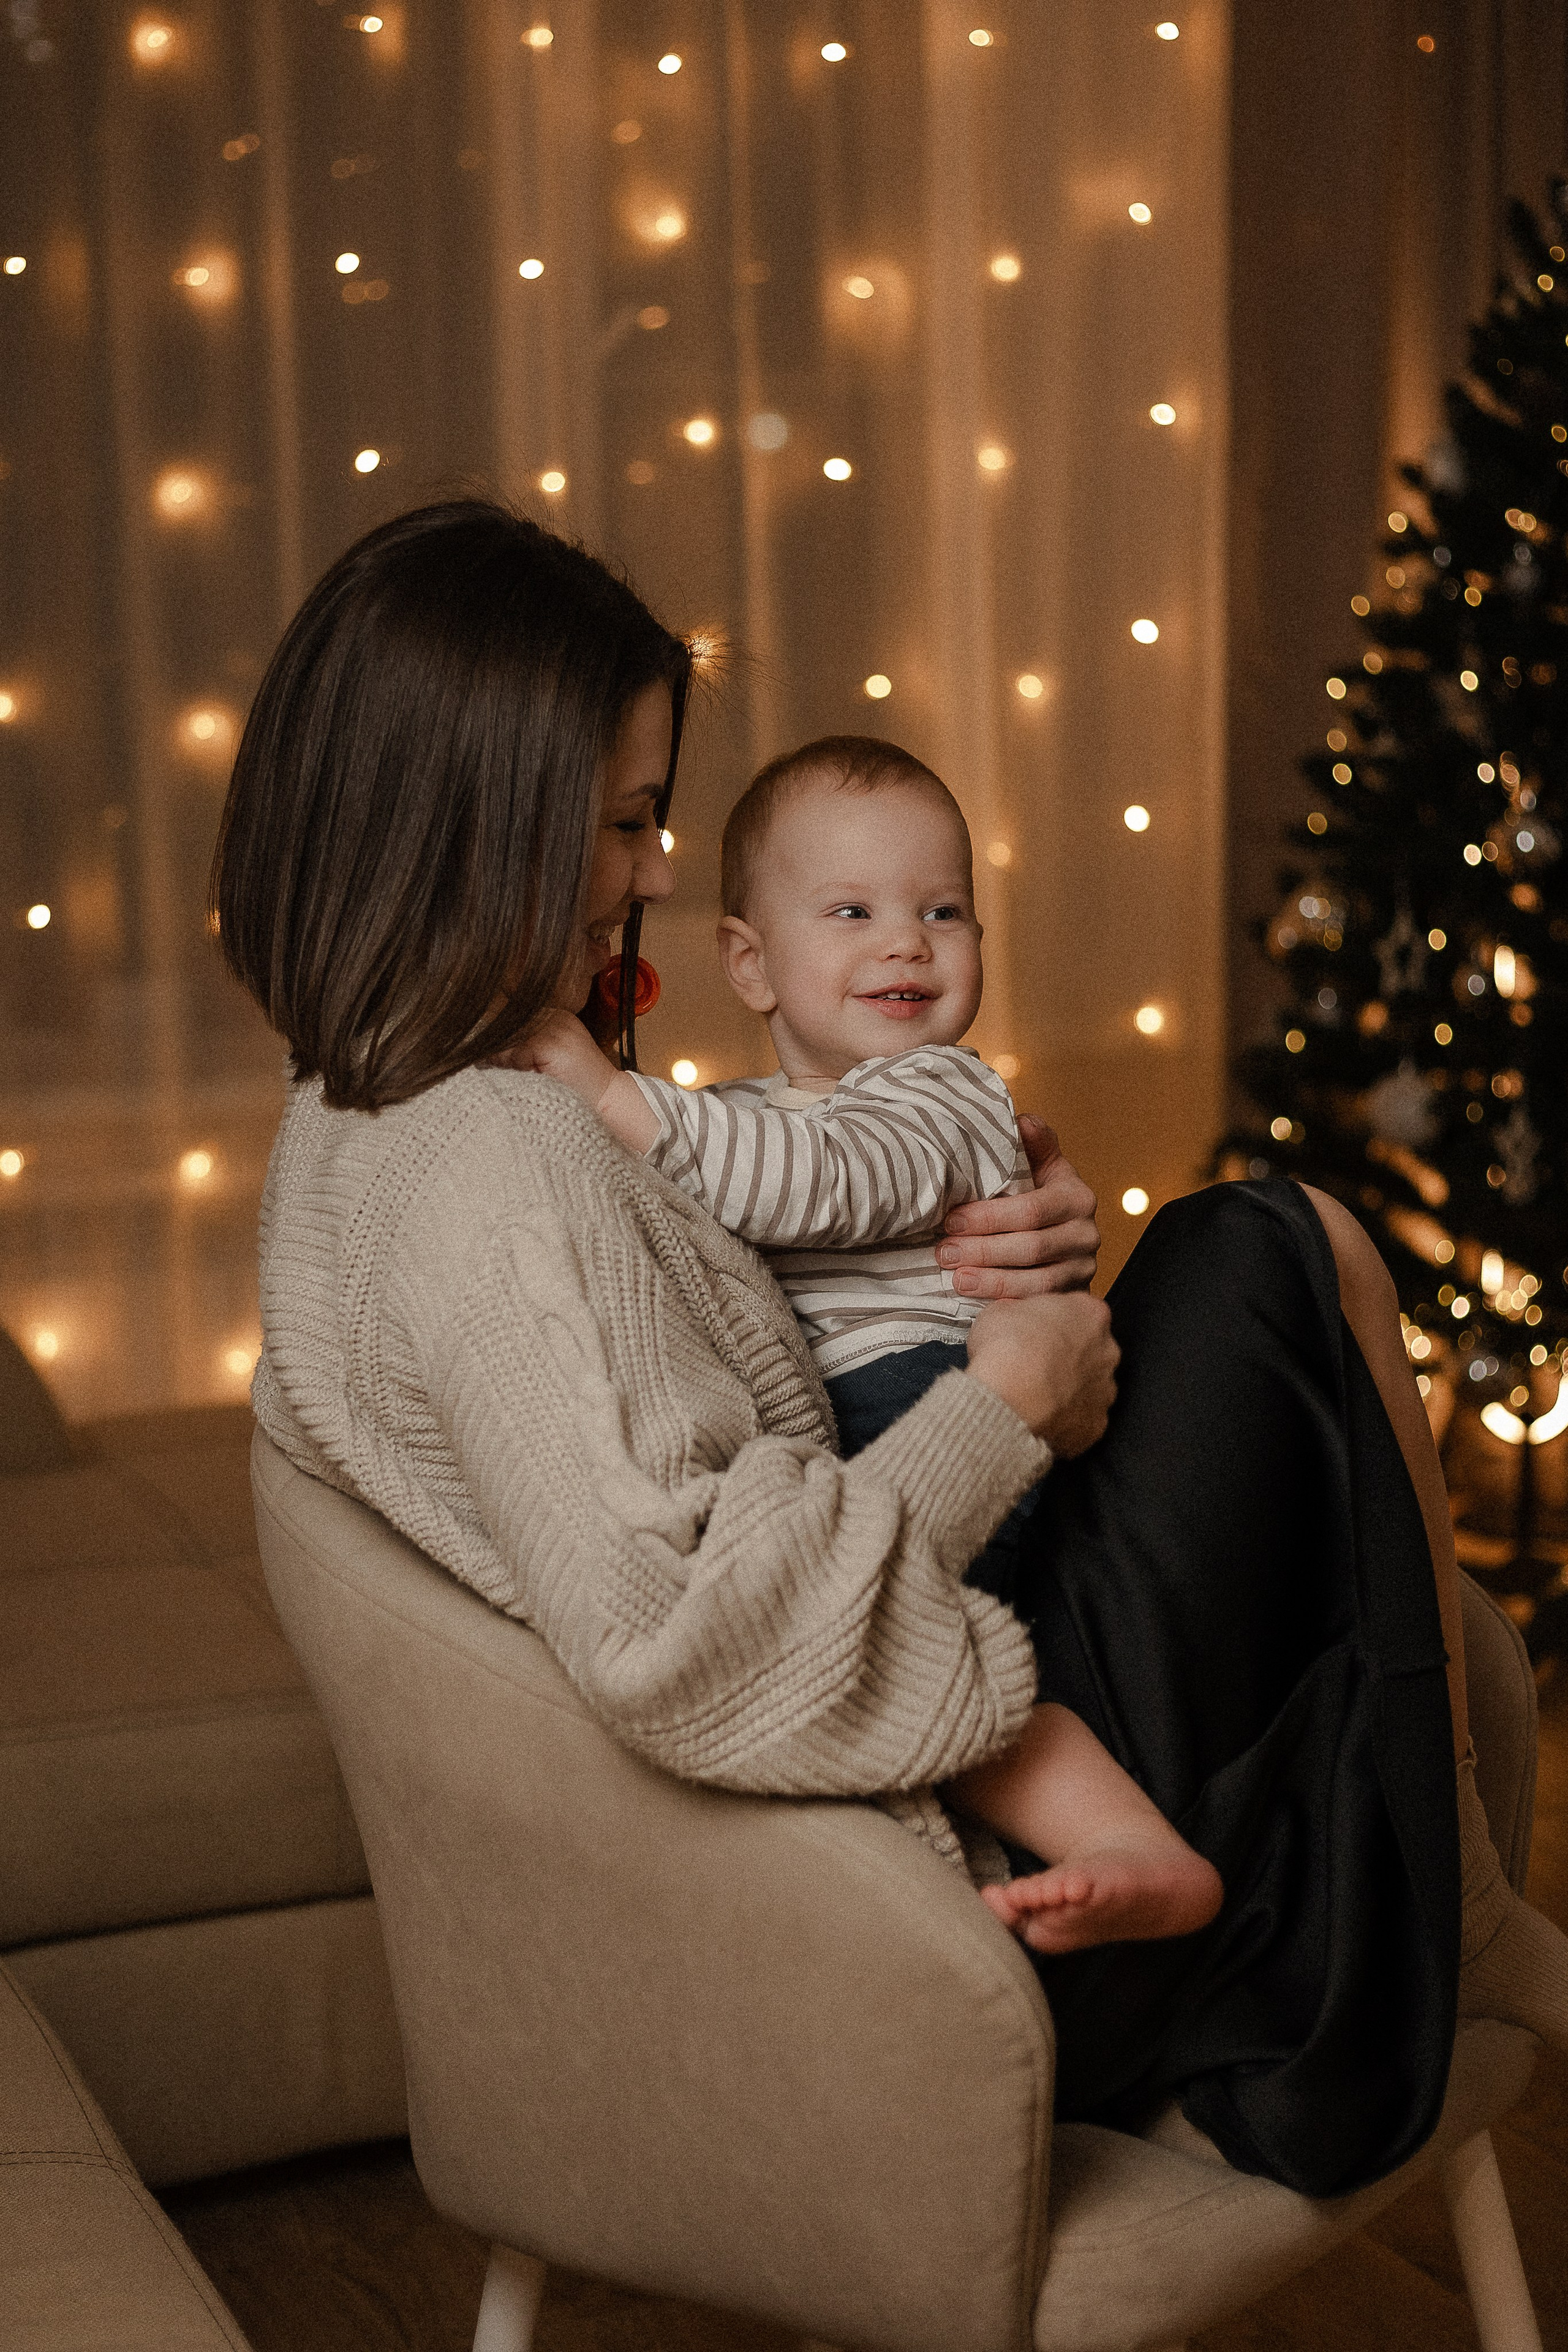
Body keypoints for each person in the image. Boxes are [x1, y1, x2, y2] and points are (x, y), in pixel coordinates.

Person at [216, 499, 1568, 2203]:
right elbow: (696, 1639)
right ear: (478, 814)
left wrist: (1005, 1254)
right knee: (1278, 1247)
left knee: (1241, 1285)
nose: (646, 871)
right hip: (927, 1904)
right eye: (627, 822)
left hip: (895, 1782)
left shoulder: (377, 1115)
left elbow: (712, 1350)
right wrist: (1006, 1401)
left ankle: (1439, 1898)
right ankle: (1451, 1908)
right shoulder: (490, 1169)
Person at [511, 732, 1225, 1957]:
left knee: (908, 1640)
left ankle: (1124, 1848)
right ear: (750, 964)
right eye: (851, 910)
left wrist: (604, 1092)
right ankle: (1120, 1846)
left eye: (941, 911)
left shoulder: (937, 1095)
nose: (905, 942)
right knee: (932, 1669)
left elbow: (822, 1185)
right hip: (845, 1434)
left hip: (929, 1404)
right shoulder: (727, 1120)